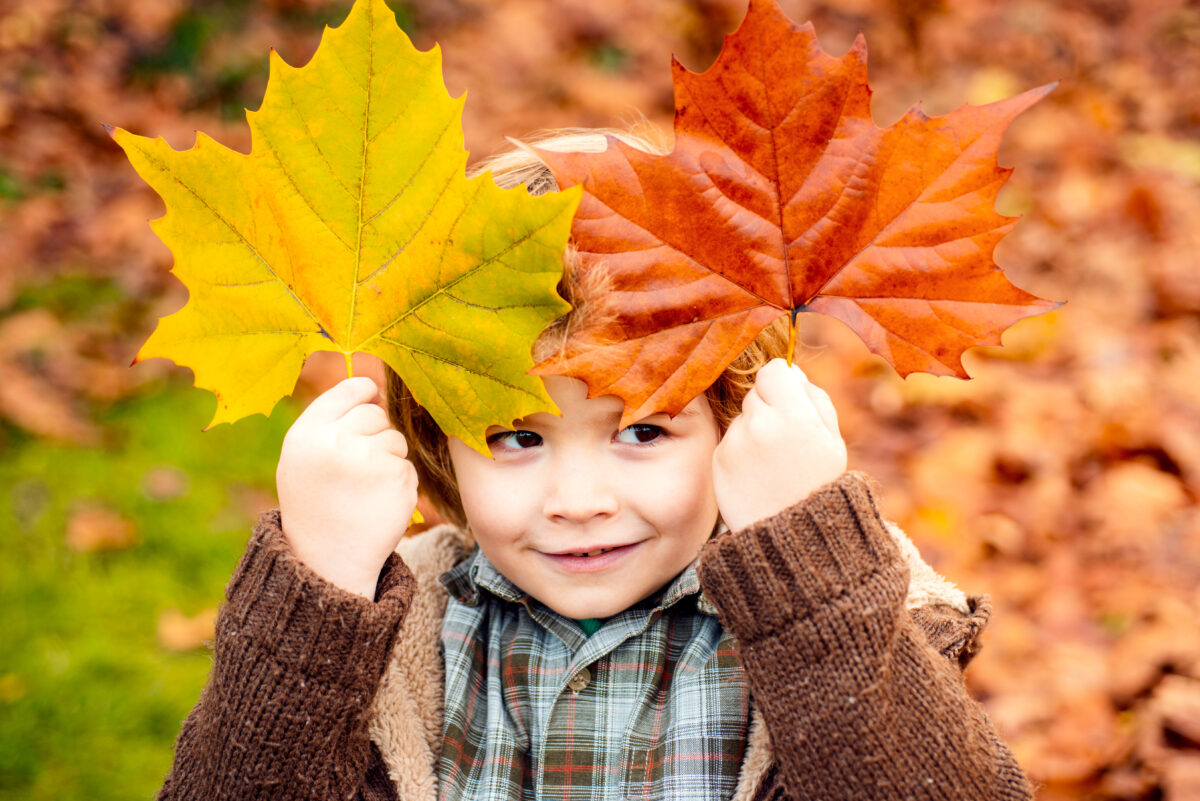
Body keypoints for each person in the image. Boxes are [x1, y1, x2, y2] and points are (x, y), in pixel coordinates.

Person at [155, 130, 1034, 801]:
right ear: (437, 442)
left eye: (644, 431)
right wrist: (323, 582)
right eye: (514, 437)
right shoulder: (395, 632)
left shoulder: (850, 606)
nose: (578, 501)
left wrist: (805, 557)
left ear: (739, 424)